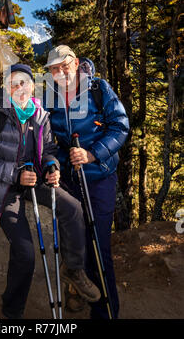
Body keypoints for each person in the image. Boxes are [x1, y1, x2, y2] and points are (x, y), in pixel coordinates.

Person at [0, 63, 100, 320]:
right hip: (4, 188)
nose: (20, 88)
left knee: (73, 208)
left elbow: (49, 149)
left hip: (35, 181)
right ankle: (12, 311)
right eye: (14, 83)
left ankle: (73, 269)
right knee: (26, 253)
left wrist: (51, 165)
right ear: (7, 89)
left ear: (32, 86)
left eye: (24, 83)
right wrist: (15, 174)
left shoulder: (40, 116)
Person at [44, 46, 130, 319]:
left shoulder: (98, 89)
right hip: (70, 180)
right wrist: (54, 163)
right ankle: (77, 292)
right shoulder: (51, 97)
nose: (60, 73)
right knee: (74, 242)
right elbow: (50, 142)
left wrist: (93, 154)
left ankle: (105, 313)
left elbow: (120, 126)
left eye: (64, 66)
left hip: (99, 178)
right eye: (53, 69)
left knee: (98, 248)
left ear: (76, 63)